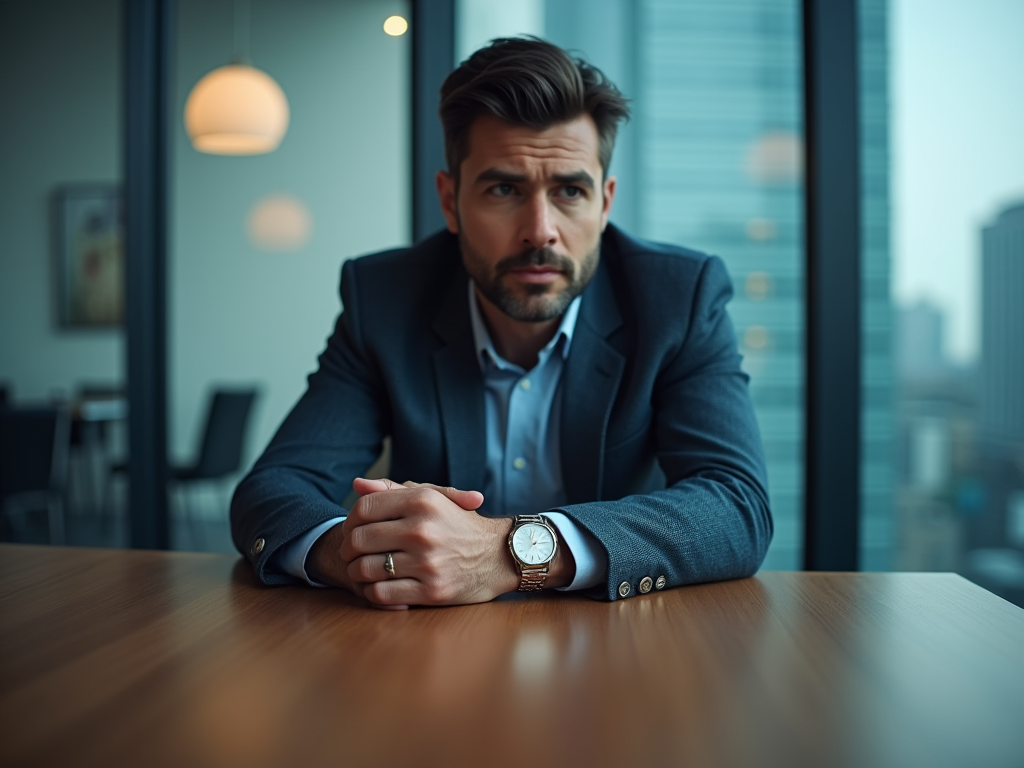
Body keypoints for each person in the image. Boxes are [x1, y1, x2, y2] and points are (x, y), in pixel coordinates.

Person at [231, 37, 771, 609]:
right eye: (504, 189)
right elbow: (273, 489)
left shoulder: (676, 298)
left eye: (569, 190)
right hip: (432, 650)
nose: (540, 229)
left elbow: (735, 504)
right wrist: (356, 552)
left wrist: (507, 552)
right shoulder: (385, 299)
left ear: (605, 203)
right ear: (450, 201)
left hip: (621, 650)